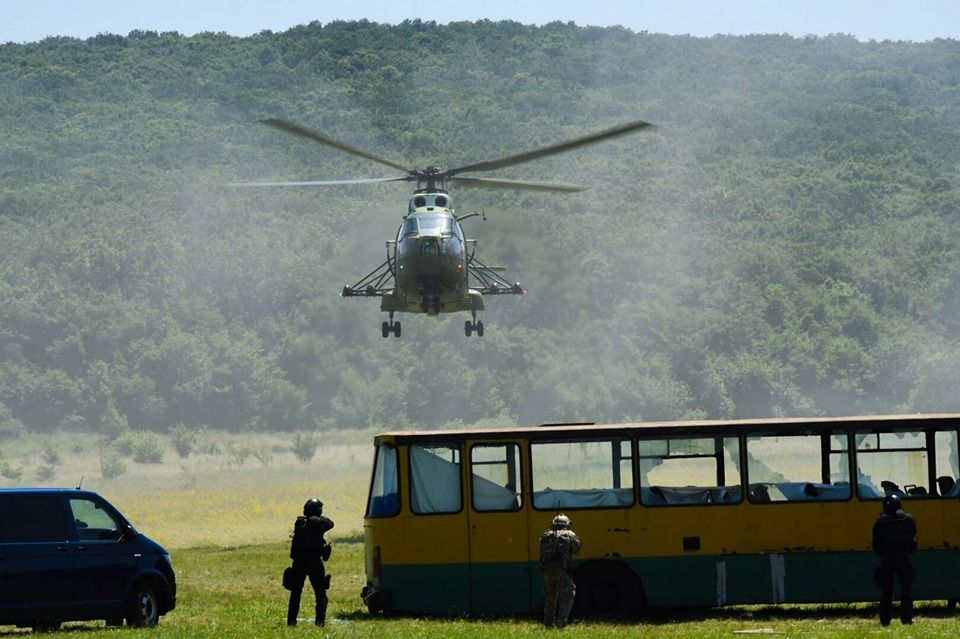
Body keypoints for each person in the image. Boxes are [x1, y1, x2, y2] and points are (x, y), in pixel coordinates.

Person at [287, 498, 334, 626]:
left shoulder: (299, 522)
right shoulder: (318, 522)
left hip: (299, 563)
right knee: (320, 594)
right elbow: (330, 523)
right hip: (314, 563)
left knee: (296, 593)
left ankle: (291, 622)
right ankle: (320, 622)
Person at [871, 493, 917, 626]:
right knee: (906, 591)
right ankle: (907, 620)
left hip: (886, 560)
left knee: (886, 591)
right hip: (904, 559)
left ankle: (885, 620)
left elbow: (876, 542)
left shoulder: (880, 521)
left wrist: (882, 554)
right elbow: (913, 537)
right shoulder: (908, 519)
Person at [539, 513, 581, 628]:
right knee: (567, 596)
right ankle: (561, 624)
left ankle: (548, 624)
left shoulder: (545, 535)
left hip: (547, 571)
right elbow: (577, 550)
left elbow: (541, 554)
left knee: (550, 598)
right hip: (563, 571)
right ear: (567, 524)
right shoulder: (570, 534)